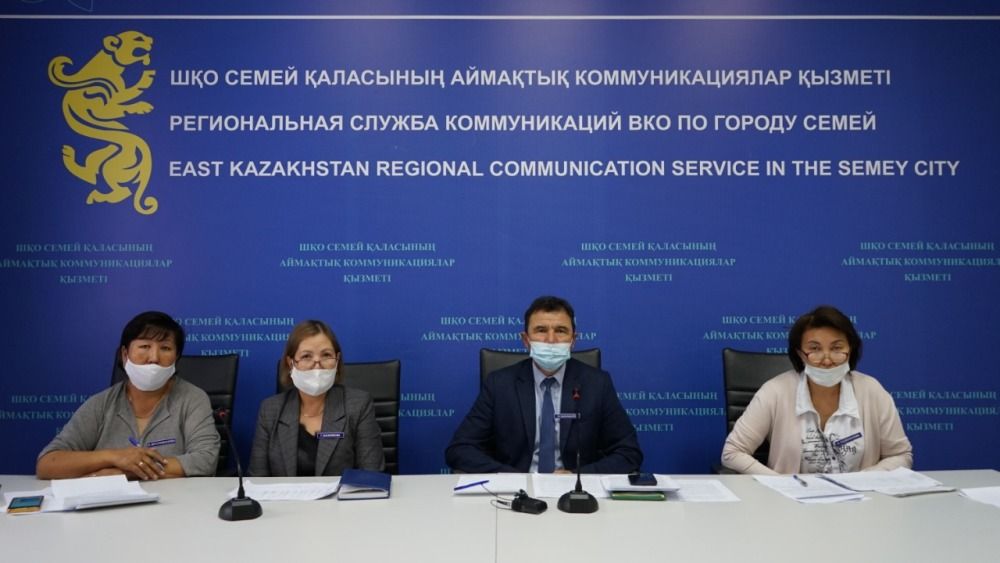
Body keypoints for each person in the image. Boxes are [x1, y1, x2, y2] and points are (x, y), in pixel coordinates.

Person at [446, 296, 643, 474]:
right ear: (526, 340)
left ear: (573, 340)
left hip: (574, 492)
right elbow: (460, 449)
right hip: (516, 491)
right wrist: (513, 477)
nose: (551, 340)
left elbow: (629, 452)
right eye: (541, 330)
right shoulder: (499, 384)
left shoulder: (597, 384)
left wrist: (576, 476)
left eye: (561, 331)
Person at [721, 305, 913, 474]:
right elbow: (732, 452)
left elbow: (901, 455)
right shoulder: (775, 391)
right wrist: (780, 483)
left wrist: (863, 480)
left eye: (837, 348)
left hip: (862, 499)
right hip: (791, 500)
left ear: (850, 350)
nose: (827, 360)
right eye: (815, 349)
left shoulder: (872, 391)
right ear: (800, 354)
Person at [37, 311, 220, 480]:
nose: (154, 357)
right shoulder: (102, 403)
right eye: (145, 346)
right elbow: (47, 464)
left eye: (165, 348)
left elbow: (206, 460)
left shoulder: (193, 399)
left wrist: (124, 472)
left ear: (176, 357)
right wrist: (115, 457)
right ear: (125, 354)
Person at [249, 320, 384, 476]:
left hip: (340, 493)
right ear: (291, 363)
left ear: (337, 360)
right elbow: (257, 479)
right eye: (306, 356)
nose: (317, 365)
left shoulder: (358, 405)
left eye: (326, 355)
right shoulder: (270, 410)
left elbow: (371, 475)